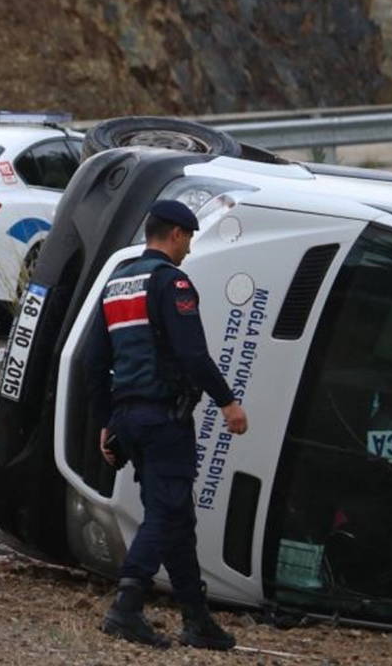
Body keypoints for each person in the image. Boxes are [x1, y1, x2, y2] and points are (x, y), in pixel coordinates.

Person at [87, 200, 249, 651]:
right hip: (164, 418)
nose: (189, 249)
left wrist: (106, 422)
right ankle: (127, 606)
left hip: (129, 418)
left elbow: (95, 362)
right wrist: (228, 402)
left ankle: (197, 619)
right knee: (165, 512)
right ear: (175, 234)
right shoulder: (170, 282)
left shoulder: (118, 283)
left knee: (178, 516)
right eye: (189, 239)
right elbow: (192, 354)